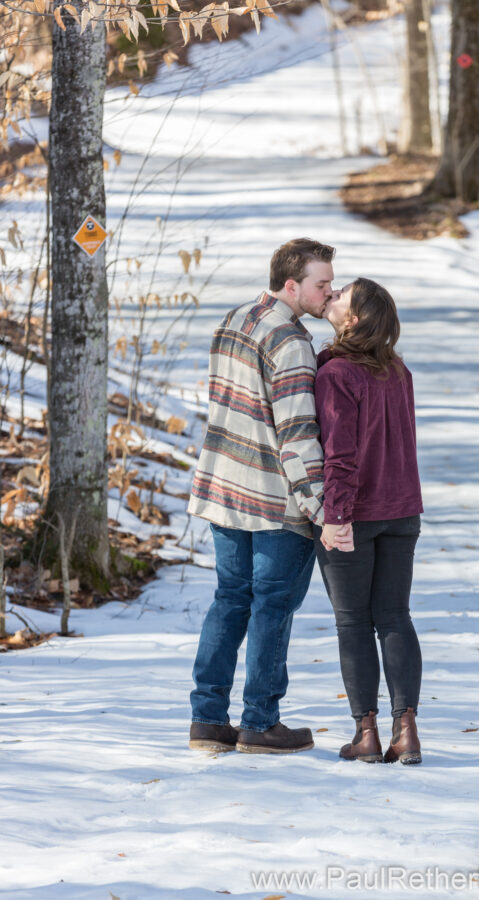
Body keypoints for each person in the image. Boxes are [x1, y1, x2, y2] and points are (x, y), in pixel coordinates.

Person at [187, 238, 352, 755]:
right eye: (322, 285)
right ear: (291, 285)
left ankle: (207, 721)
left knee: (230, 600)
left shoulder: (233, 319)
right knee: (271, 607)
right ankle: (260, 721)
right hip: (274, 499)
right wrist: (323, 510)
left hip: (223, 487)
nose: (329, 293)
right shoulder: (291, 342)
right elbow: (297, 434)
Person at [314, 277, 424, 765]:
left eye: (341, 296)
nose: (332, 296)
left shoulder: (337, 374)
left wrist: (335, 516)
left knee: (354, 622)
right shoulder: (398, 371)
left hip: (354, 515)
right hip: (403, 510)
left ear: (353, 320)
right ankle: (407, 731)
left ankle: (366, 735)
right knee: (395, 617)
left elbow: (340, 455)